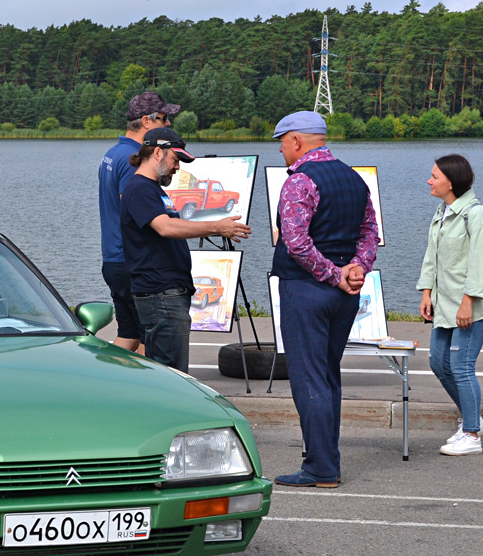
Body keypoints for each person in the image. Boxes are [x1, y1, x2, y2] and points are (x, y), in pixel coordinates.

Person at [271, 111, 379, 489]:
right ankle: (325, 458)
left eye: (282, 142)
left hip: (306, 289)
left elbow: (296, 241)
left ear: (297, 141)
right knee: (329, 376)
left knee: (309, 378)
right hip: (345, 295)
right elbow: (369, 231)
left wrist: (333, 274)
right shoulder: (354, 178)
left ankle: (320, 468)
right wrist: (356, 269)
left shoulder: (299, 182)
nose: (281, 150)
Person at [120, 127, 250, 372]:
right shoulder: (139, 188)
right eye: (175, 159)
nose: (178, 167)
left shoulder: (152, 190)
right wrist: (216, 227)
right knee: (173, 374)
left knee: (168, 371)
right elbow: (166, 227)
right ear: (157, 152)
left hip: (167, 294)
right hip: (160, 294)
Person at [417, 154, 483, 456]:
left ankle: (471, 435)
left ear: (451, 182)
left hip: (472, 303)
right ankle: (474, 420)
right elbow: (432, 255)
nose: (429, 180)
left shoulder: (476, 214)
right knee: (437, 362)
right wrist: (426, 291)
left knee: (461, 366)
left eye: (434, 176)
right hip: (445, 303)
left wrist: (468, 302)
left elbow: (482, 262)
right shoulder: (443, 211)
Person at [99, 92, 180, 352]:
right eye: (164, 118)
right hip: (131, 262)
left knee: (128, 335)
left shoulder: (114, 152)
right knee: (149, 340)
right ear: (146, 121)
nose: (168, 124)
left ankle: (105, 384)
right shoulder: (134, 159)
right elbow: (133, 208)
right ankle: (143, 390)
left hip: (114, 259)